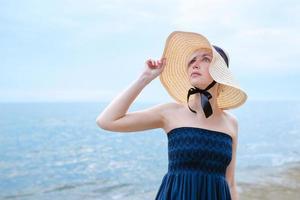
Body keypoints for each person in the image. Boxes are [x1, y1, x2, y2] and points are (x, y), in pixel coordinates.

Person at [96, 31, 248, 200]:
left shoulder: (231, 123)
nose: (195, 64)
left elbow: (230, 182)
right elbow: (107, 121)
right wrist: (144, 78)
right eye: (192, 60)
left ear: (221, 73)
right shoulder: (170, 112)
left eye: (205, 59)